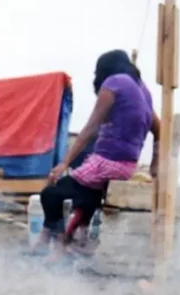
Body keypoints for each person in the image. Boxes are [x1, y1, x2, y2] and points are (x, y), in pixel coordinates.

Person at [35, 50, 159, 258]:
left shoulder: (114, 83)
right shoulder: (143, 89)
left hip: (108, 162)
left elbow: (91, 128)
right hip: (127, 165)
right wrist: (155, 163)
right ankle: (68, 240)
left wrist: (64, 163)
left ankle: (53, 241)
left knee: (51, 192)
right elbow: (160, 130)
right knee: (86, 193)